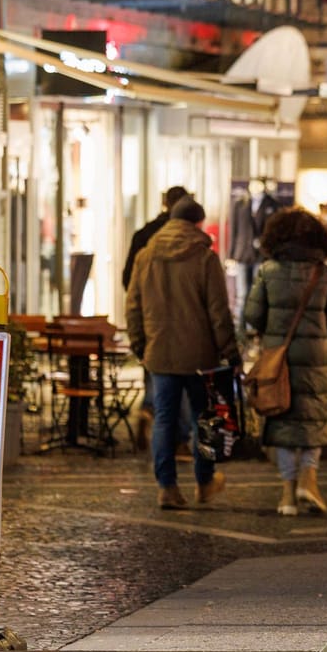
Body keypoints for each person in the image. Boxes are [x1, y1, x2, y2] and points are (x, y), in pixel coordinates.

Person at [126, 197, 242, 511]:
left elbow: (133, 305)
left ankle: (167, 487)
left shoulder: (146, 256)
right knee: (202, 418)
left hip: (160, 352)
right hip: (200, 355)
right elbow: (219, 312)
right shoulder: (205, 257)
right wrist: (230, 351)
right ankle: (204, 483)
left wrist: (140, 344)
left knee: (164, 418)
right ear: (197, 223)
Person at [243, 208, 327, 517]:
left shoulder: (268, 271)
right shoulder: (324, 273)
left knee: (283, 419)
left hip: (279, 360)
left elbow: (252, 316)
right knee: (313, 419)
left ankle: (287, 495)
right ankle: (309, 478)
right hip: (314, 359)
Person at [123, 185, 190, 290]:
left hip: (150, 304)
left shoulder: (143, 235)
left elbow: (128, 281)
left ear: (165, 204)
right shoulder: (193, 240)